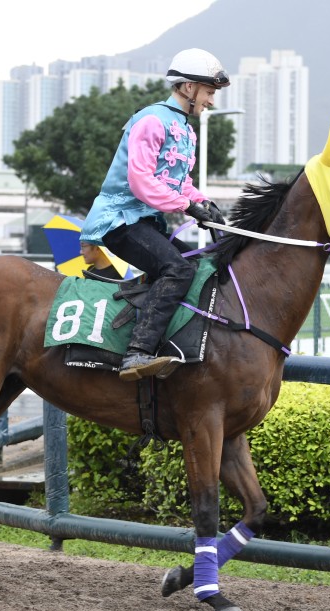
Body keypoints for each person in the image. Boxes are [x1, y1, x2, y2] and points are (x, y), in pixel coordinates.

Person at [81, 48, 229, 381]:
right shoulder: (151, 120)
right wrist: (185, 205)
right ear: (188, 88)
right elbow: (141, 180)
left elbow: (178, 182)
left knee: (192, 265)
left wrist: (205, 204)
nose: (211, 101)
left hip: (143, 220)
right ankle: (136, 353)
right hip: (119, 219)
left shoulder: (184, 128)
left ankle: (151, 335)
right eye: (208, 92)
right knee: (176, 270)